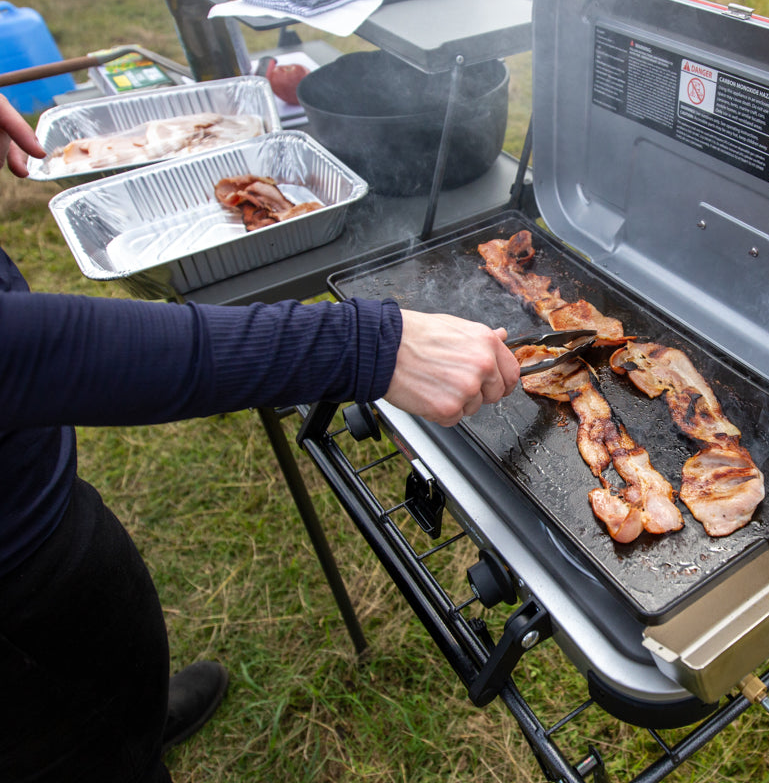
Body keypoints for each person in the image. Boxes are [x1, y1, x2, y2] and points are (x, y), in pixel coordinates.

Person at [0, 92, 521, 782]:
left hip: (32, 500)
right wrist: (367, 346)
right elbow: (22, 352)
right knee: (75, 753)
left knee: (110, 687)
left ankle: (133, 717)